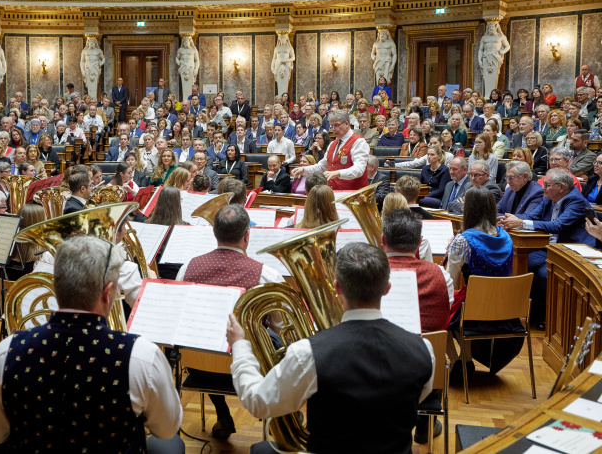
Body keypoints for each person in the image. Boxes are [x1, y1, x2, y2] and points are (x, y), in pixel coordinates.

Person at [0, 234, 183, 452]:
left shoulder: (7, 352)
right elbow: (167, 430)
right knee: (170, 444)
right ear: (107, 292)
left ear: (56, 285)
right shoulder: (141, 357)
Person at [227, 242, 434, 454]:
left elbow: (258, 402)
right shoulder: (424, 349)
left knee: (261, 450)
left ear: (337, 287)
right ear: (387, 288)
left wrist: (240, 345)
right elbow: (415, 397)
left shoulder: (308, 353)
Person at [177, 204, 286, 439]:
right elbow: (283, 330)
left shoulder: (187, 269)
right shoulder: (267, 276)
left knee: (207, 336)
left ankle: (222, 413)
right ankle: (279, 420)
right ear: (247, 235)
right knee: (276, 343)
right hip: (247, 368)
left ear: (214, 232)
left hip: (198, 367)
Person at [445, 186, 523, 376]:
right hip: (505, 310)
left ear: (468, 210)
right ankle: (465, 359)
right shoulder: (506, 237)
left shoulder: (462, 240)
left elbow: (450, 281)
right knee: (462, 306)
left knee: (439, 310)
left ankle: (458, 361)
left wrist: (451, 250)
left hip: (474, 311)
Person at [499, 168, 595, 323]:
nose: (542, 187)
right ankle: (523, 312)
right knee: (517, 263)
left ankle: (552, 316)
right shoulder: (548, 198)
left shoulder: (576, 201)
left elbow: (557, 226)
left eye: (547, 185)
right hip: (550, 249)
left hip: (571, 251)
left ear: (561, 187)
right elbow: (531, 217)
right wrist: (506, 219)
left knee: (545, 273)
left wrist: (520, 222)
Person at [291, 110, 369, 190]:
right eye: (332, 126)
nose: (334, 129)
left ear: (346, 124)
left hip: (354, 194)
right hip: (333, 192)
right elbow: (322, 166)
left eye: (337, 125)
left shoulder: (359, 142)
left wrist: (338, 173)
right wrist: (303, 170)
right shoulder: (332, 144)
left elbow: (359, 169)